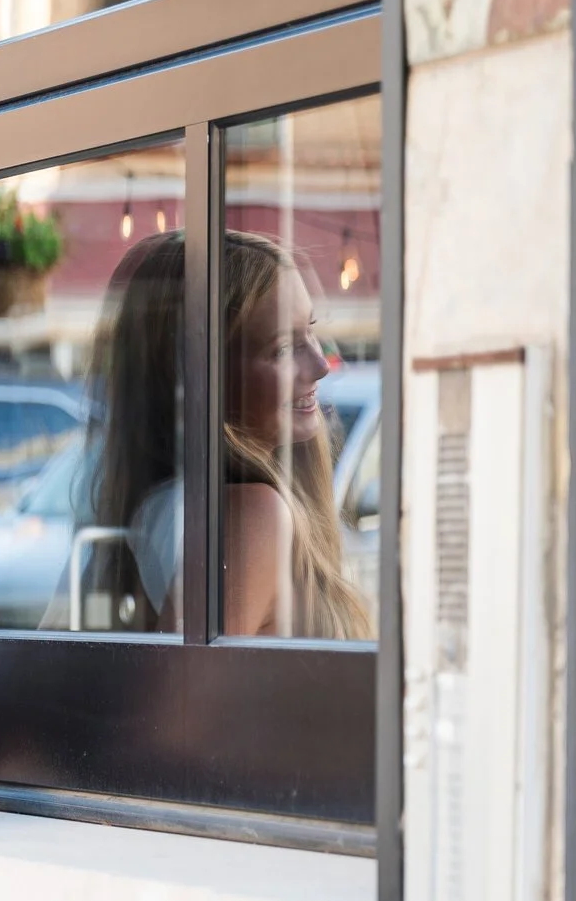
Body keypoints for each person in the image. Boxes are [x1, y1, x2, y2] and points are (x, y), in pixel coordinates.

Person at [89, 229, 374, 639]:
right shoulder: (250, 515)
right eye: (282, 348)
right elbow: (186, 694)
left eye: (310, 330)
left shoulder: (184, 506)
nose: (320, 364)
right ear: (201, 376)